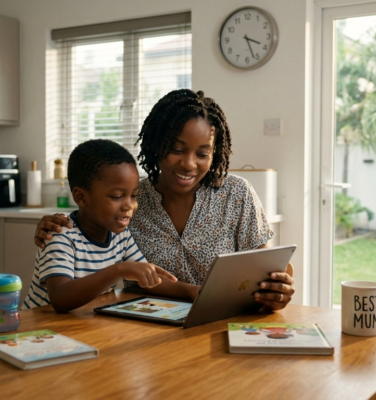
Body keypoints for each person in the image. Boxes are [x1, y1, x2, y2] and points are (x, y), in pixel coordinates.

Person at [34, 89, 295, 312]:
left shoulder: (237, 194)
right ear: (156, 145)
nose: (189, 163)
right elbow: (89, 217)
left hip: (223, 322)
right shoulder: (134, 199)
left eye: (202, 153)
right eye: (177, 149)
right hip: (146, 330)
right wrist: (52, 224)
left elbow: (269, 270)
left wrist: (277, 290)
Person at [22, 139, 176, 312]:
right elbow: (60, 298)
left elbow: (149, 281)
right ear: (81, 197)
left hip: (80, 326)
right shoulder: (60, 234)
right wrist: (119, 270)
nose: (129, 205)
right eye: (117, 196)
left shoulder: (120, 235)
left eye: (133, 195)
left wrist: (196, 293)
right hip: (39, 332)